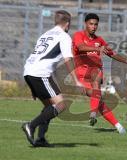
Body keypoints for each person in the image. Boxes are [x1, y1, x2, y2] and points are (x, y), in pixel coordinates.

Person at [22, 10, 83, 147]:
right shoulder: (64, 36)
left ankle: (41, 139)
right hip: (40, 73)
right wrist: (76, 80)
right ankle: (30, 126)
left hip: (29, 71)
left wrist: (33, 87)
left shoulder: (45, 35)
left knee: (50, 107)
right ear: (67, 24)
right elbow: (68, 59)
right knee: (60, 105)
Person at [72, 13, 127, 134]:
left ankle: (96, 115)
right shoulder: (78, 35)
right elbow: (81, 47)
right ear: (85, 24)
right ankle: (113, 122)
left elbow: (112, 53)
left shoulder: (99, 40)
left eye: (95, 24)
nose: (93, 26)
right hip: (81, 74)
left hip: (95, 71)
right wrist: (98, 49)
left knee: (96, 76)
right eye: (91, 24)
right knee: (97, 98)